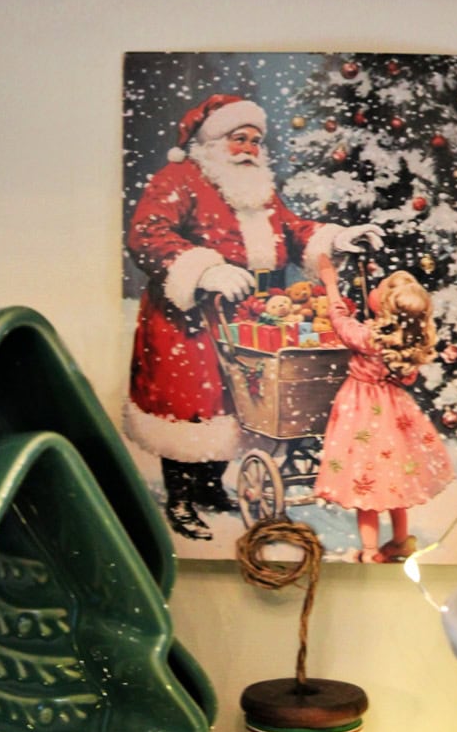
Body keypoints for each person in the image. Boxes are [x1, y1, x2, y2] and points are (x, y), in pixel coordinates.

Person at [124, 94, 383, 540]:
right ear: (212, 140)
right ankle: (182, 496)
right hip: (185, 315)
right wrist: (205, 269)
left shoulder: (258, 190)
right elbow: (148, 234)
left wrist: (337, 239)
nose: (247, 148)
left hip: (247, 312)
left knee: (237, 399)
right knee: (189, 404)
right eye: (237, 138)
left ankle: (209, 487)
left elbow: (293, 228)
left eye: (254, 140)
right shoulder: (180, 177)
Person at [314, 254, 455, 563]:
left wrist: (330, 283)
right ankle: (401, 541)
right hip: (393, 412)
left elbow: (338, 320)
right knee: (393, 480)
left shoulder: (368, 338)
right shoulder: (403, 341)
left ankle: (369, 551)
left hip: (361, 409)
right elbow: (408, 376)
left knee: (367, 484)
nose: (374, 288)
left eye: (379, 288)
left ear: (385, 305)